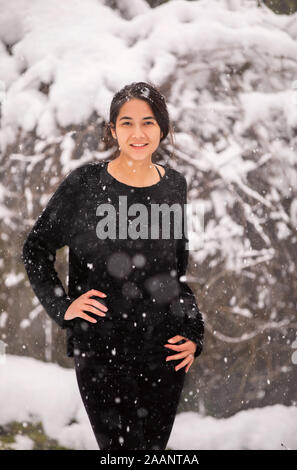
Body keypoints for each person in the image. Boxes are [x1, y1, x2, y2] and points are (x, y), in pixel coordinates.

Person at [22, 81, 204, 450]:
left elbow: (175, 276)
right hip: (102, 352)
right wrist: (63, 307)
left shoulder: (174, 187)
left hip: (164, 354)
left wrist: (194, 336)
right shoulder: (86, 185)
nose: (138, 133)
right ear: (113, 129)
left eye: (149, 122)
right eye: (127, 123)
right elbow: (35, 250)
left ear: (163, 129)